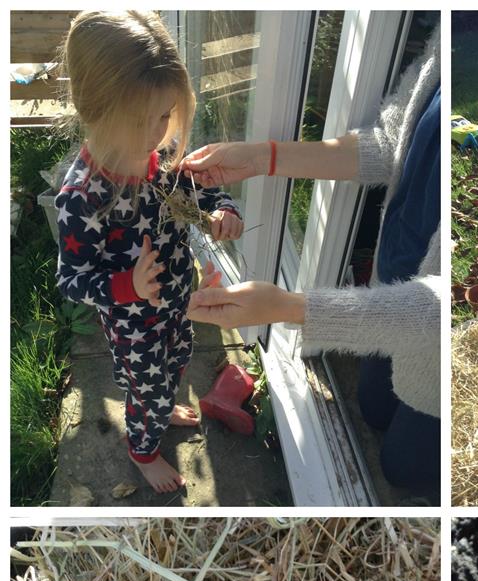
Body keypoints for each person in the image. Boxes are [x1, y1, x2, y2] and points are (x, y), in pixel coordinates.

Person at [184, 26, 440, 495]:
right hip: (395, 277)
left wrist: (286, 308)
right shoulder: (445, 40)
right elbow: (388, 141)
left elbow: (437, 308)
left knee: (402, 470)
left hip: (439, 334)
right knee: (373, 407)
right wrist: (263, 157)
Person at [54, 11, 243, 493]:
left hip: (176, 303)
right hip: (132, 323)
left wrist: (223, 210)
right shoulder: (85, 195)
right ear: (96, 107)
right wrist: (128, 285)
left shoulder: (154, 157)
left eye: (165, 115)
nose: (158, 133)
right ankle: (142, 451)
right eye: (143, 120)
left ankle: (160, 411)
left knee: (178, 362)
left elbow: (198, 191)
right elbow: (72, 279)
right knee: (146, 387)